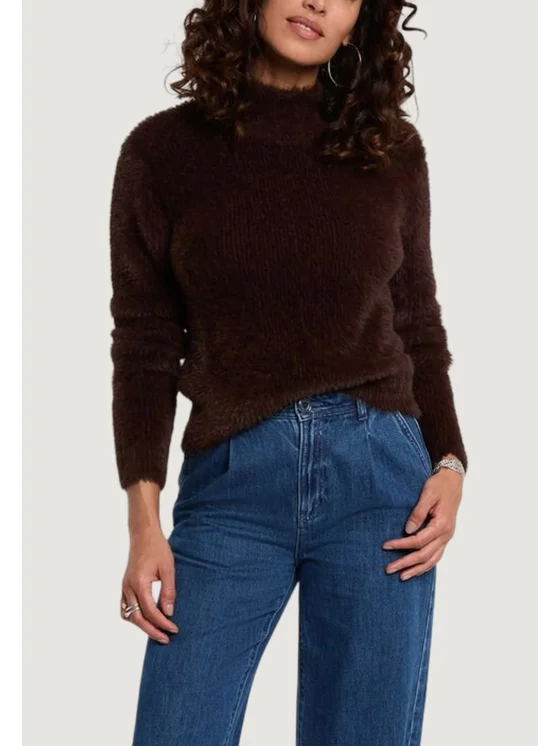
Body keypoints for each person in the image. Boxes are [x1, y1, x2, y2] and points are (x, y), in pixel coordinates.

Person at [109, 0, 468, 743]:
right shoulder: (162, 152)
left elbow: (417, 323)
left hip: (381, 487)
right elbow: (144, 345)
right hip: (231, 487)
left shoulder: (390, 151)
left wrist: (452, 462)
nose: (317, 3)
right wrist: (144, 524)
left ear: (360, 21)